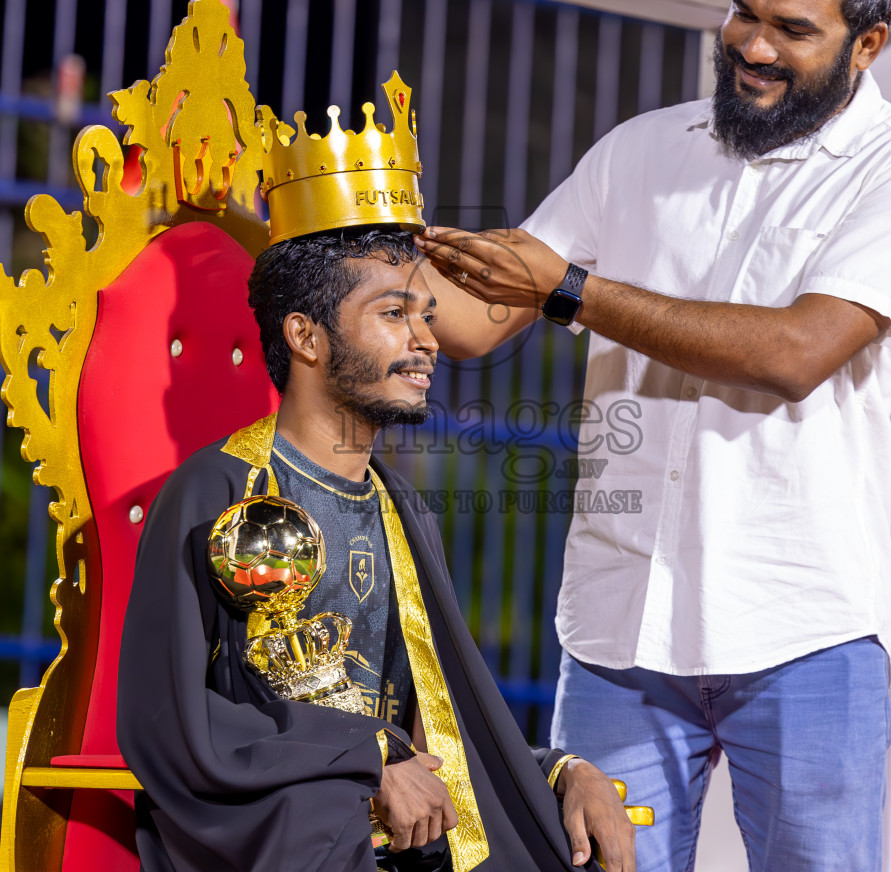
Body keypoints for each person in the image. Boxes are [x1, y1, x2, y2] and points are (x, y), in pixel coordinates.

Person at [415, 0, 891, 872]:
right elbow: (473, 317)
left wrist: (576, 291)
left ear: (869, 43)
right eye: (744, 13)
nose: (753, 46)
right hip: (621, 628)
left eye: (791, 30)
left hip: (805, 627)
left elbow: (796, 352)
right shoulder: (639, 150)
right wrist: (352, 229)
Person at [117, 226, 637, 872]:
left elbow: (439, 727)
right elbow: (167, 720)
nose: (426, 341)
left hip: (405, 832)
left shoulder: (403, 508)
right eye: (394, 314)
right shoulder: (216, 488)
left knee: (568, 848)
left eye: (427, 316)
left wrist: (564, 769)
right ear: (305, 337)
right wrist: (365, 757)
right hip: (288, 829)